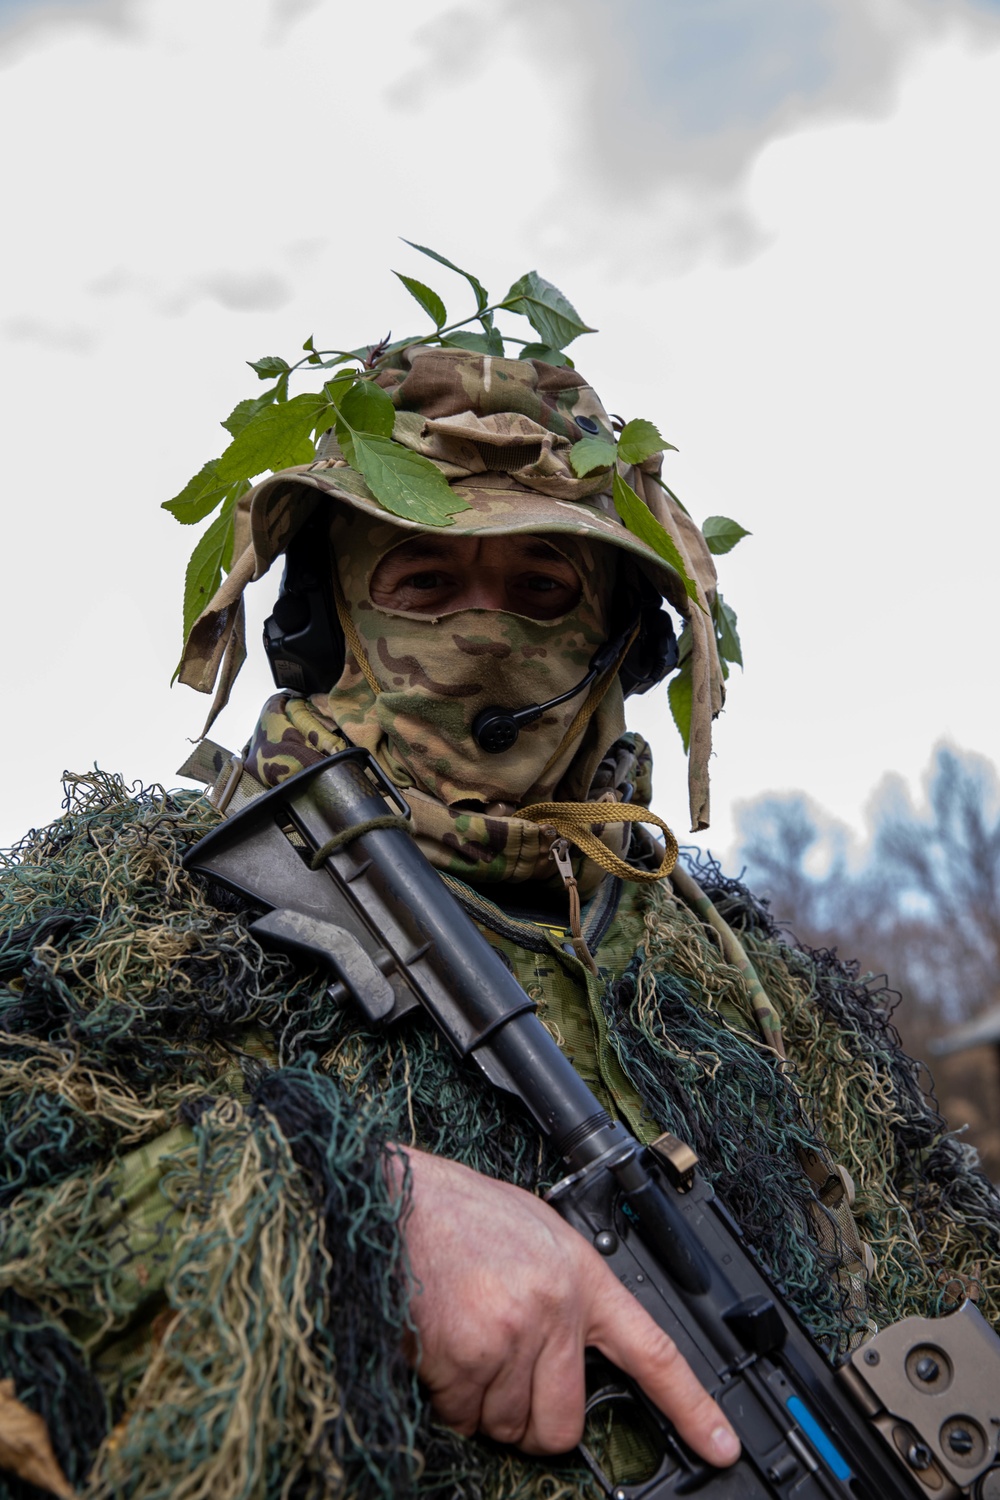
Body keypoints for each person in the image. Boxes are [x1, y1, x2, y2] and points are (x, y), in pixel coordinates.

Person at [1, 345, 998, 1500]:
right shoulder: (132, 914)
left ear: (625, 643)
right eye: (424, 583)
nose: (485, 635)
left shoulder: (761, 997)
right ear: (318, 630)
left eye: (541, 590)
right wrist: (360, 1215)